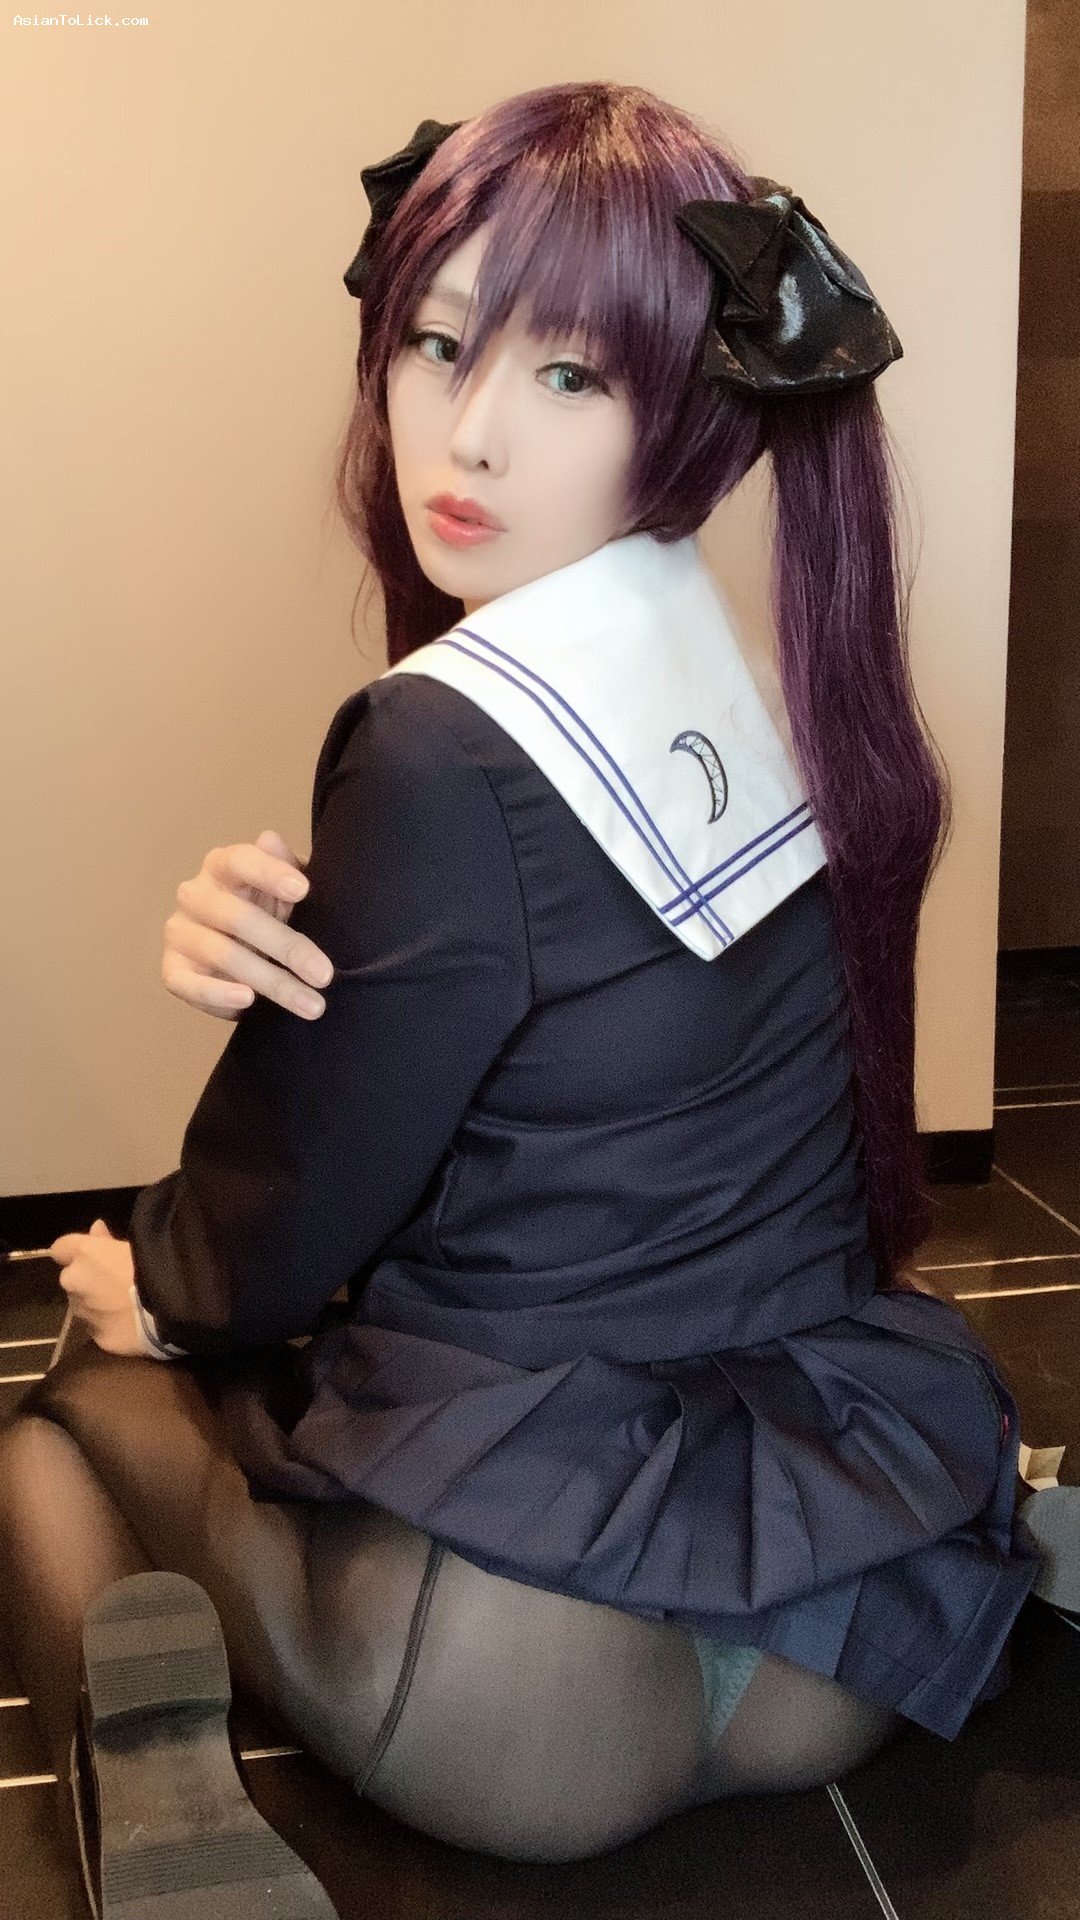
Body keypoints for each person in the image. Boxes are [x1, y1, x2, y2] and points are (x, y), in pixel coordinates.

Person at [0, 79, 1048, 1910]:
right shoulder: (775, 676)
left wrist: (152, 1285)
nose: (467, 433)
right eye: (436, 342)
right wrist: (299, 961)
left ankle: (149, 1778)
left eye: (570, 374)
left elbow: (291, 1213)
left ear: (691, 406)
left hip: (523, 1685)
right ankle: (1016, 1540)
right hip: (830, 1622)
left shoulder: (442, 746)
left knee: (73, 1393)